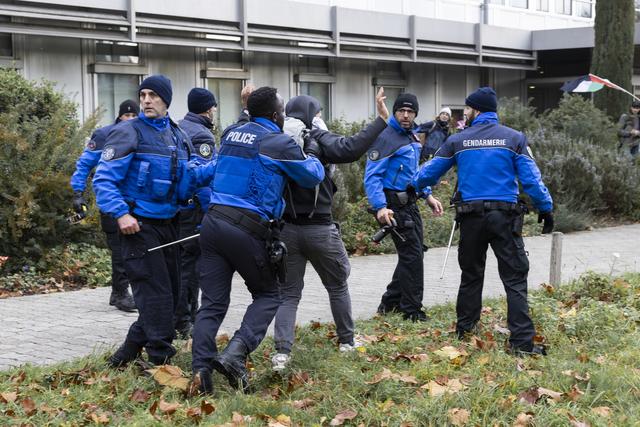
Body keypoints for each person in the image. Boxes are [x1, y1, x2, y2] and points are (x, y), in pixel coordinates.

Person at [190, 86, 325, 394]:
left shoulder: (231, 134)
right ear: (276, 116)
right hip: (247, 229)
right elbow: (312, 175)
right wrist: (312, 148)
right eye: (282, 112)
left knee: (211, 304)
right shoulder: (278, 142)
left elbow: (242, 138)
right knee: (268, 295)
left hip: (212, 224)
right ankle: (236, 353)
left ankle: (200, 372)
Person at [412, 87, 554, 355]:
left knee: (471, 275)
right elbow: (532, 180)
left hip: (471, 218)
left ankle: (465, 330)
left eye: (466, 108)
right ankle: (522, 343)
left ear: (474, 110)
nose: (463, 113)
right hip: (505, 218)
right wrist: (546, 208)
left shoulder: (458, 141)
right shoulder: (514, 138)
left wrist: (415, 186)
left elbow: (429, 171)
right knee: (514, 278)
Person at [94, 75, 213, 367]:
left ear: (166, 100)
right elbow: (104, 179)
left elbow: (187, 182)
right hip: (139, 227)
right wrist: (121, 214)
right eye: (143, 94)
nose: (146, 100)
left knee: (171, 298)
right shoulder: (129, 132)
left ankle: (123, 357)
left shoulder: (178, 135)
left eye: (153, 95)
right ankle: (160, 363)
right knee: (156, 297)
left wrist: (220, 167)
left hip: (169, 225)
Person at [270, 88, 390, 372]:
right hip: (320, 229)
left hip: (286, 229)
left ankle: (282, 354)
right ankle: (347, 342)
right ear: (311, 115)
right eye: (319, 112)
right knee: (337, 286)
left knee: (288, 294)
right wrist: (381, 120)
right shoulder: (317, 137)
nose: (321, 117)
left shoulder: (277, 141)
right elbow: (351, 147)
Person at [364, 93, 444, 322]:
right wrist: (380, 207)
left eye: (410, 112)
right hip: (392, 206)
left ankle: (389, 304)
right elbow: (372, 177)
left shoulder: (411, 137)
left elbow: (413, 174)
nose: (406, 115)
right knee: (412, 256)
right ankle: (411, 311)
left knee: (414, 253)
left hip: (410, 203)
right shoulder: (386, 138)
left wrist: (427, 195)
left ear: (416, 114)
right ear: (395, 112)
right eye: (401, 111)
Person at [70, 99, 139, 312]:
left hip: (134, 201)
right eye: (127, 116)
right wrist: (77, 193)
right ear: (120, 116)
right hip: (111, 201)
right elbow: (84, 164)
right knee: (119, 249)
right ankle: (119, 294)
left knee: (133, 249)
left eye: (133, 116)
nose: (130, 119)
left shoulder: (141, 133)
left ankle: (121, 291)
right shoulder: (104, 135)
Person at [174, 88, 217, 338]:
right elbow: (203, 180)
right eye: (212, 108)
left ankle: (179, 316)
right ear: (208, 108)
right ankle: (185, 320)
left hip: (178, 209)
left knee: (179, 265)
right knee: (191, 269)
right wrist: (210, 212)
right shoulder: (202, 136)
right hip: (194, 211)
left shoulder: (180, 127)